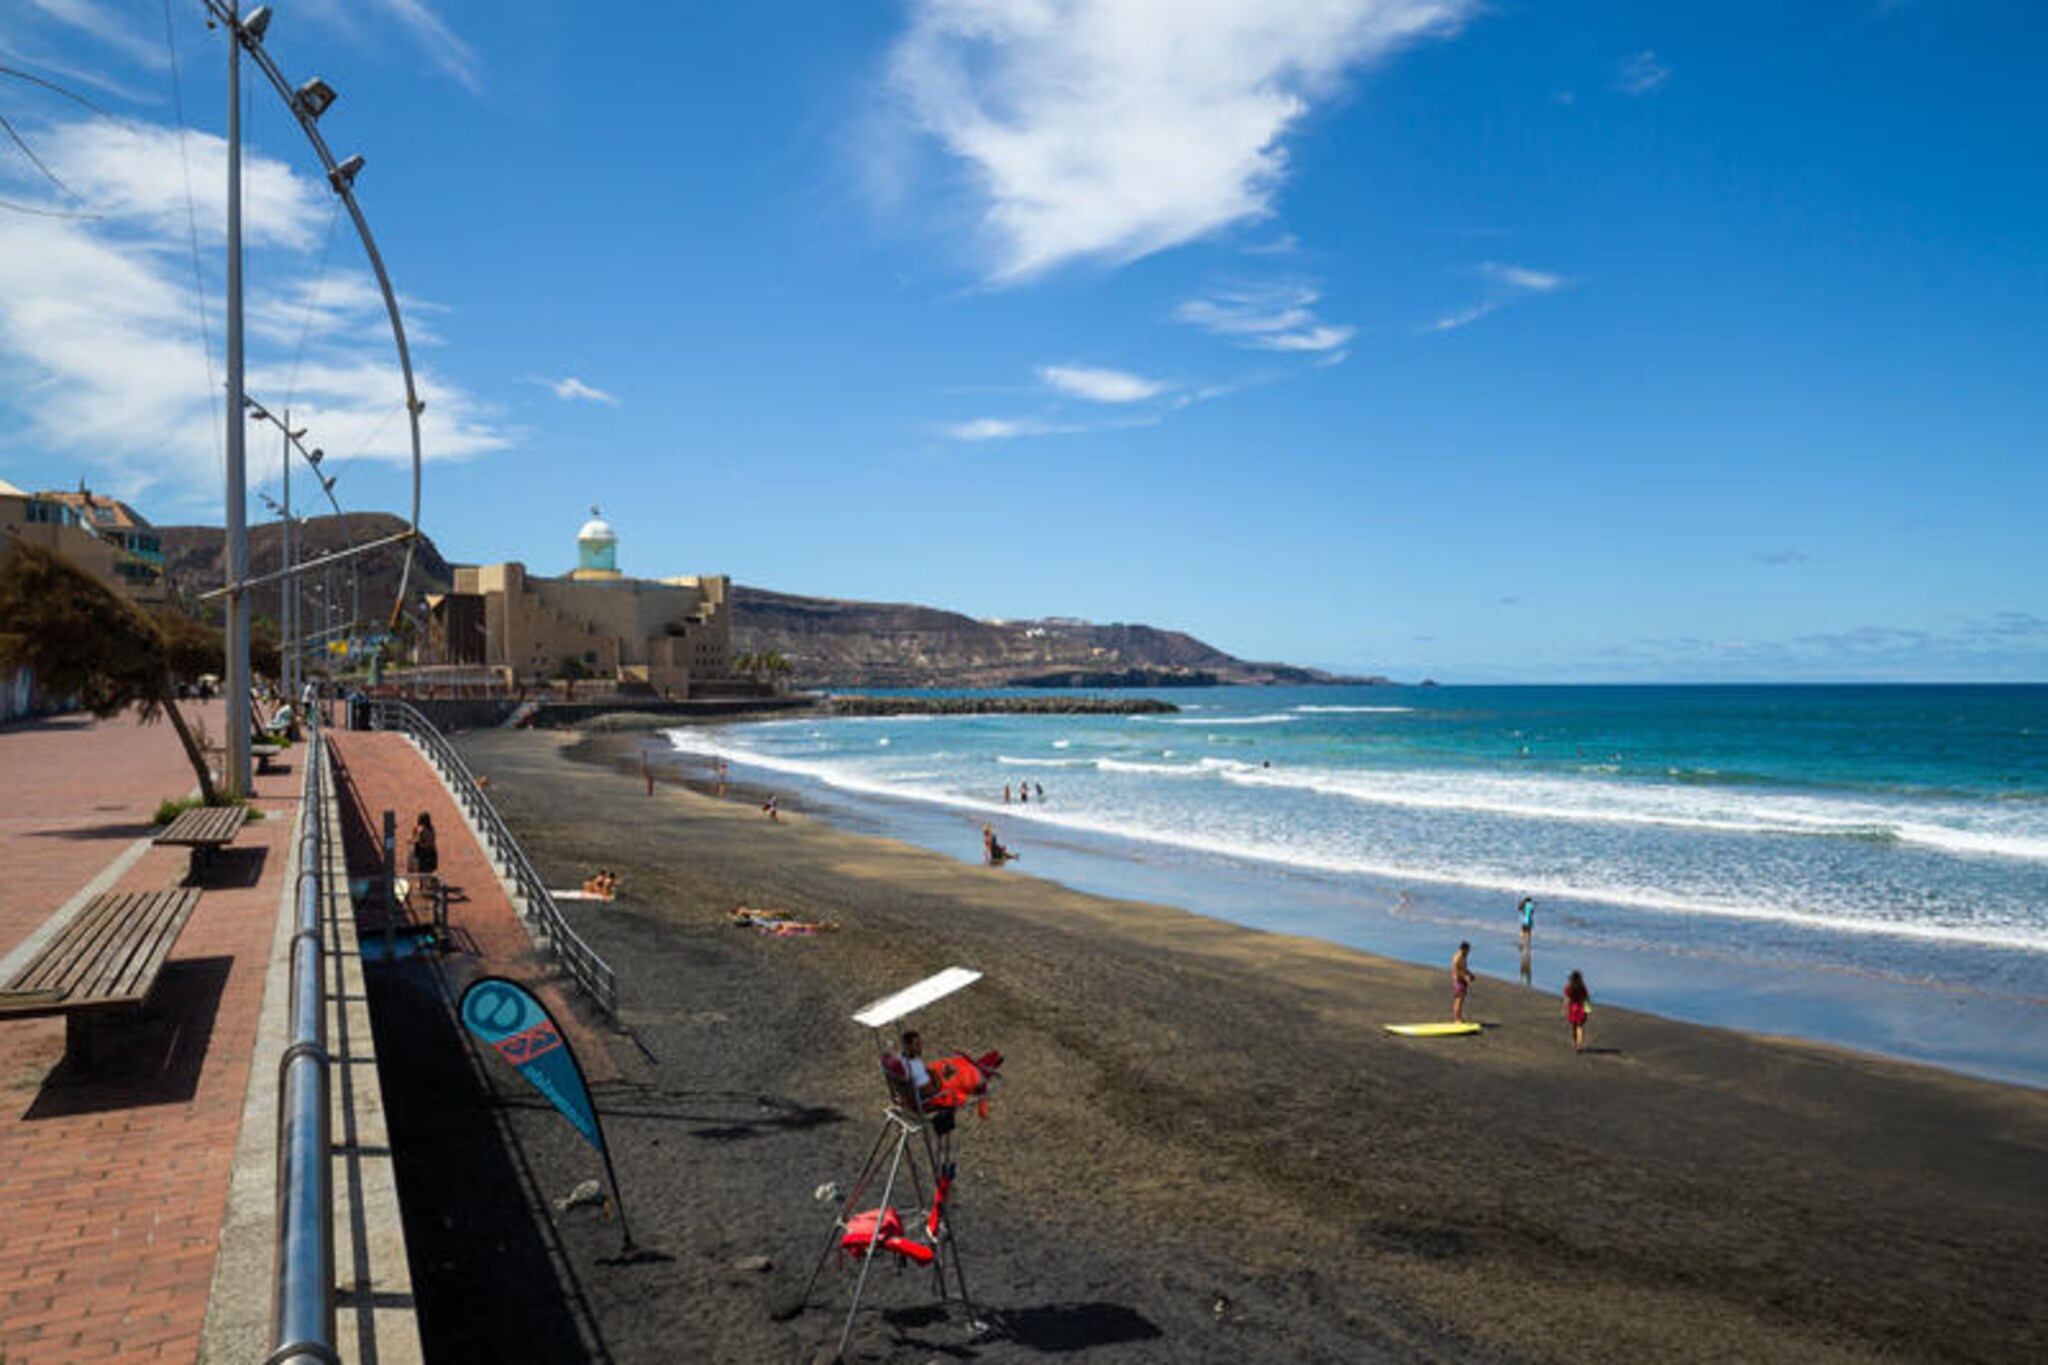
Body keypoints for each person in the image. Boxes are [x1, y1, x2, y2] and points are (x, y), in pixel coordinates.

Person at [1563, 970, 1592, 1052]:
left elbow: (1567, 999)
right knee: (1580, 1027)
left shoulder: (1568, 987)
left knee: (1574, 1026)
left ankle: (1576, 1042)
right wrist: (1588, 1009)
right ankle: (1579, 1044)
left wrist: (1565, 1009)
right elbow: (1586, 999)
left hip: (1573, 1009)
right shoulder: (1583, 987)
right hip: (1581, 1008)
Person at [408, 812, 438, 876]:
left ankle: (420, 883)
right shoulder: (432, 828)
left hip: (423, 852)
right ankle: (427, 882)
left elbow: (417, 840)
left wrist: (411, 839)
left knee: (421, 870)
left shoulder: (421, 830)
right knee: (429, 870)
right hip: (432, 851)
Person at [1451, 941, 1473, 1023]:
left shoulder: (1464, 956)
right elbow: (1455, 971)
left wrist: (1469, 974)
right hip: (1459, 980)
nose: (1469, 952)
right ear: (1464, 949)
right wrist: (1465, 977)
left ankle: (1459, 1018)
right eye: (1468, 950)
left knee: (1461, 1000)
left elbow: (1463, 968)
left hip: (1463, 979)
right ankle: (1456, 1019)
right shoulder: (1457, 957)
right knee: (1458, 1000)